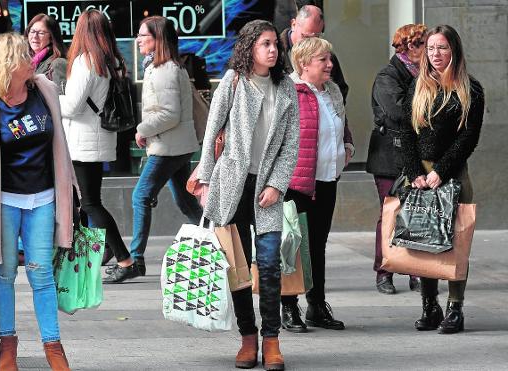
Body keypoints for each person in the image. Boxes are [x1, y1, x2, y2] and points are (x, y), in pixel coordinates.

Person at [0, 33, 77, 370]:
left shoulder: (45, 90)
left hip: (43, 199)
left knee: (42, 276)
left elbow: (60, 146)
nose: (32, 59)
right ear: (9, 64)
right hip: (3, 204)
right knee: (4, 275)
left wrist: (71, 190)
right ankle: (7, 346)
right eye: (26, 55)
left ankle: (54, 348)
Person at [198, 20, 299, 370]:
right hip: (233, 188)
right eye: (265, 44)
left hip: (266, 191)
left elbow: (291, 145)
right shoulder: (233, 81)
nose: (273, 50)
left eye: (275, 44)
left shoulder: (286, 87)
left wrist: (277, 185)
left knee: (269, 267)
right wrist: (206, 181)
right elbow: (213, 132)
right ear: (250, 48)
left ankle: (272, 340)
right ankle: (248, 339)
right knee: (238, 270)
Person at [402, 25, 484, 334]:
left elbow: (468, 138)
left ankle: (455, 308)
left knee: (457, 243)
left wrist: (441, 171)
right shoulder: (417, 86)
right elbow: (405, 133)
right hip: (421, 175)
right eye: (432, 48)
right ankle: (429, 305)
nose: (436, 54)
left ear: (455, 51)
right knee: (424, 241)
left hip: (453, 173)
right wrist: (415, 174)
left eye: (443, 48)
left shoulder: (470, 89)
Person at [59, 10, 137, 283]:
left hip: (83, 141)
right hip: (100, 138)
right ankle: (100, 251)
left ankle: (125, 259)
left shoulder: (86, 61)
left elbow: (71, 106)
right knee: (88, 202)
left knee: (90, 203)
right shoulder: (111, 60)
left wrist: (52, 94)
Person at [281, 37, 353, 334]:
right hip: (296, 182)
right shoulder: (288, 90)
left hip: (327, 178)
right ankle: (288, 306)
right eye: (323, 60)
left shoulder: (333, 89)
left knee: (318, 245)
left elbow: (340, 122)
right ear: (303, 63)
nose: (330, 64)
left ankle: (317, 305)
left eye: (329, 59)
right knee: (292, 246)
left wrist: (347, 144)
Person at [129, 16, 202, 276]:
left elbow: (169, 114)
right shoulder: (164, 67)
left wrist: (142, 129)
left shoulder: (164, 70)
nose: (138, 40)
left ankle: (136, 259)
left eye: (143, 36)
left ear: (158, 39)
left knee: (141, 196)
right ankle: (215, 237)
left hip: (168, 147)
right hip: (175, 145)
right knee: (184, 200)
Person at [367, 24, 427, 295]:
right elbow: (399, 112)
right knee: (391, 213)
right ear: (409, 47)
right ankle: (385, 271)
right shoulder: (388, 76)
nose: (430, 51)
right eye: (425, 45)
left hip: (417, 155)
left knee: (416, 214)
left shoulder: (426, 74)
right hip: (389, 156)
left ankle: (417, 271)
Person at [280, 5, 348, 100]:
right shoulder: (275, 53)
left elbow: (341, 89)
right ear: (293, 24)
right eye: (306, 37)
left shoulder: (327, 56)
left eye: (316, 37)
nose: (311, 42)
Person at [24, 13, 67, 92]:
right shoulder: (25, 62)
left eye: (41, 33)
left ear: (51, 37)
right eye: (32, 31)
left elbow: (62, 100)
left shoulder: (58, 63)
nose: (35, 36)